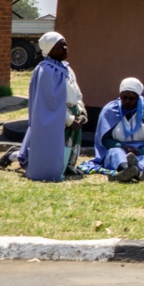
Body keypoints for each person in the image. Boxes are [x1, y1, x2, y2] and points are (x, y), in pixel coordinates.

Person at [9, 32, 86, 180]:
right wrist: (69, 119)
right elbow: (48, 104)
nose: (65, 48)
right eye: (59, 46)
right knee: (52, 155)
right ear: (49, 50)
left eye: (65, 44)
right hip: (58, 120)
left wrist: (81, 111)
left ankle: (68, 167)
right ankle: (18, 157)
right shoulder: (45, 71)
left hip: (73, 115)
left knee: (69, 150)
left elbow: (77, 93)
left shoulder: (67, 69)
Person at [89, 78, 144, 183]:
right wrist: (122, 147)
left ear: (139, 97)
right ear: (119, 96)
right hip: (118, 147)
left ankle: (128, 172)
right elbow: (105, 139)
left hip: (142, 149)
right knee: (116, 153)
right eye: (124, 97)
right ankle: (130, 170)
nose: (127, 101)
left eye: (132, 98)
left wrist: (140, 151)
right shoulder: (109, 111)